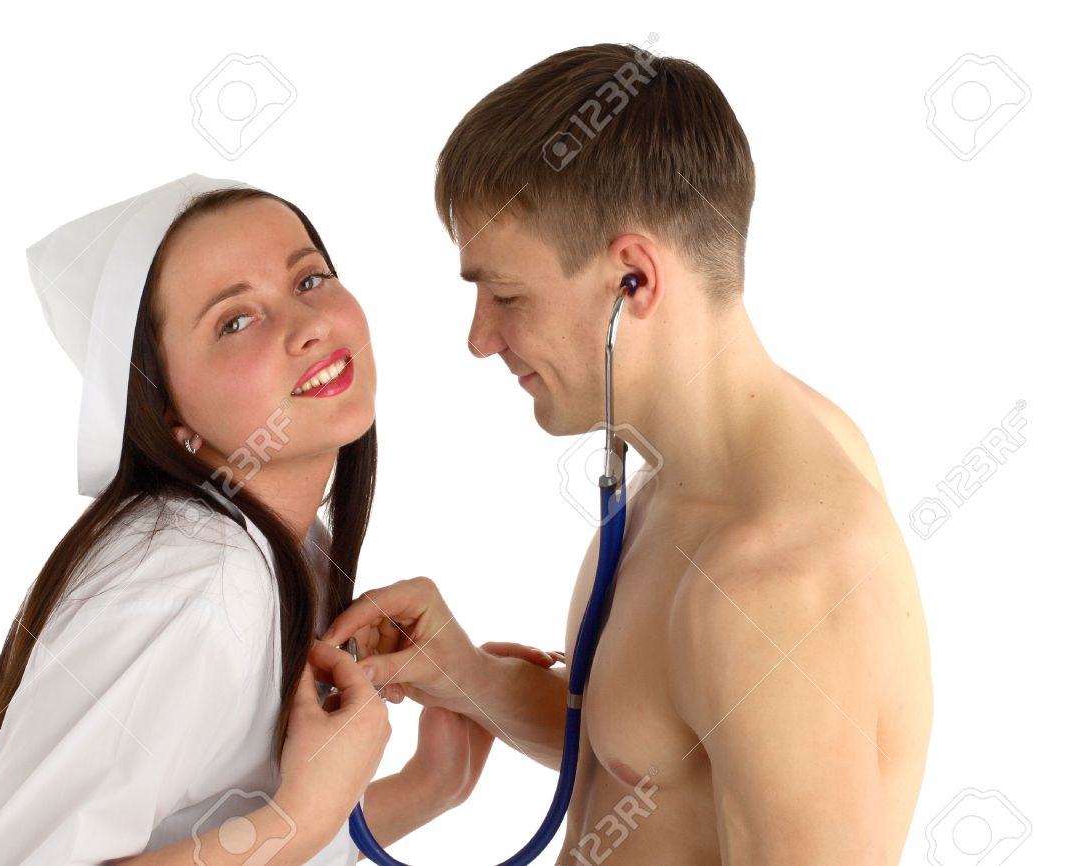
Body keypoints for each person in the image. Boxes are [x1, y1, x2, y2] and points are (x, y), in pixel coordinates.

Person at [323, 44, 934, 864]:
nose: (480, 338)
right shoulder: (701, 472)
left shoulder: (774, 587)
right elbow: (661, 754)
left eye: (506, 295)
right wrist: (470, 677)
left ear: (633, 280)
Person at [0, 175, 495, 866]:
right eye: (235, 321)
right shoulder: (196, 575)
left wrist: (432, 786)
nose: (309, 326)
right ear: (166, 412)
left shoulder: (288, 549)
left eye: (309, 280)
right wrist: (299, 818)